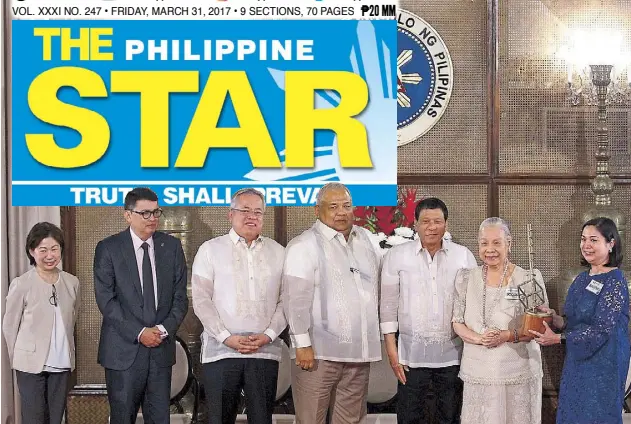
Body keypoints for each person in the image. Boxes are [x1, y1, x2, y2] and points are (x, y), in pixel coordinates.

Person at [282, 182, 382, 424]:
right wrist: (302, 344)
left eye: (347, 206)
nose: (341, 212)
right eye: (333, 206)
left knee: (351, 420)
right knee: (310, 419)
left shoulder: (367, 240)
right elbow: (295, 299)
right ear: (317, 210)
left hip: (359, 353)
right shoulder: (303, 245)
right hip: (318, 354)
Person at [94, 187, 189, 424]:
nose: (153, 218)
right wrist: (140, 332)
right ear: (128, 215)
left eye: (156, 212)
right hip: (123, 353)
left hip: (160, 350)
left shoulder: (172, 247)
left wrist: (162, 330)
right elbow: (107, 301)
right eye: (145, 213)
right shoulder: (109, 248)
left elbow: (180, 299)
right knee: (122, 418)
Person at [192, 188, 287, 424]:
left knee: (262, 418)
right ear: (230, 214)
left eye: (257, 211)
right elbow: (201, 300)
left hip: (264, 350)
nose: (251, 216)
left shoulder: (279, 252)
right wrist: (225, 337)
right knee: (219, 418)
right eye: (244, 210)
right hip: (221, 351)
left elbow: (288, 300)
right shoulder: (210, 250)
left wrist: (268, 335)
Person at [380, 198, 477, 424]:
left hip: (453, 354)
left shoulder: (463, 256)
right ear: (415, 224)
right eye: (425, 221)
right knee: (409, 416)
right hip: (410, 356)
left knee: (450, 416)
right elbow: (387, 307)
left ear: (446, 224)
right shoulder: (397, 256)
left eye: (437, 221)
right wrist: (392, 353)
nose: (431, 227)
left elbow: (473, 304)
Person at [531, 217, 629, 424]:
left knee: (597, 413)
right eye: (583, 239)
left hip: (605, 362)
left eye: (594, 240)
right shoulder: (583, 278)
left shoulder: (616, 280)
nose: (586, 245)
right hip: (578, 359)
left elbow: (602, 328)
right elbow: (575, 320)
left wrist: (558, 338)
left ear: (611, 244)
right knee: (574, 411)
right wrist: (556, 319)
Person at [452, 217, 547, 424]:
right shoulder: (466, 278)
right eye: (484, 243)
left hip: (518, 367)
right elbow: (457, 321)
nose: (490, 249)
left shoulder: (528, 278)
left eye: (497, 242)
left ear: (509, 244)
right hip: (479, 368)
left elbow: (539, 325)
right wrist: (480, 339)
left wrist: (506, 336)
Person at [2, 222, 80, 424]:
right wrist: (20, 356)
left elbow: (73, 315)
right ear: (32, 251)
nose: (50, 255)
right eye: (43, 250)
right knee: (34, 419)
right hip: (29, 364)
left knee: (55, 419)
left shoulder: (72, 282)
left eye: (54, 249)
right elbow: (9, 326)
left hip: (61, 361)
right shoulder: (21, 284)